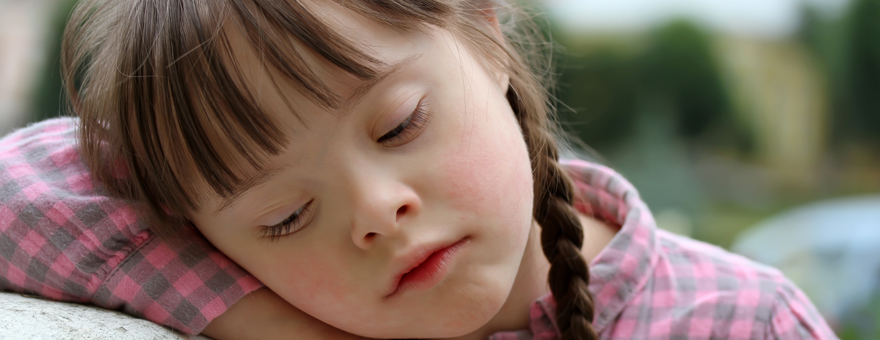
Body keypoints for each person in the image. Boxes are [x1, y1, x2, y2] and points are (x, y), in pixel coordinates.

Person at [0, 0, 837, 339]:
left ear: (482, 26)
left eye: (399, 125)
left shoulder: (743, 321)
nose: (375, 209)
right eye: (286, 218)